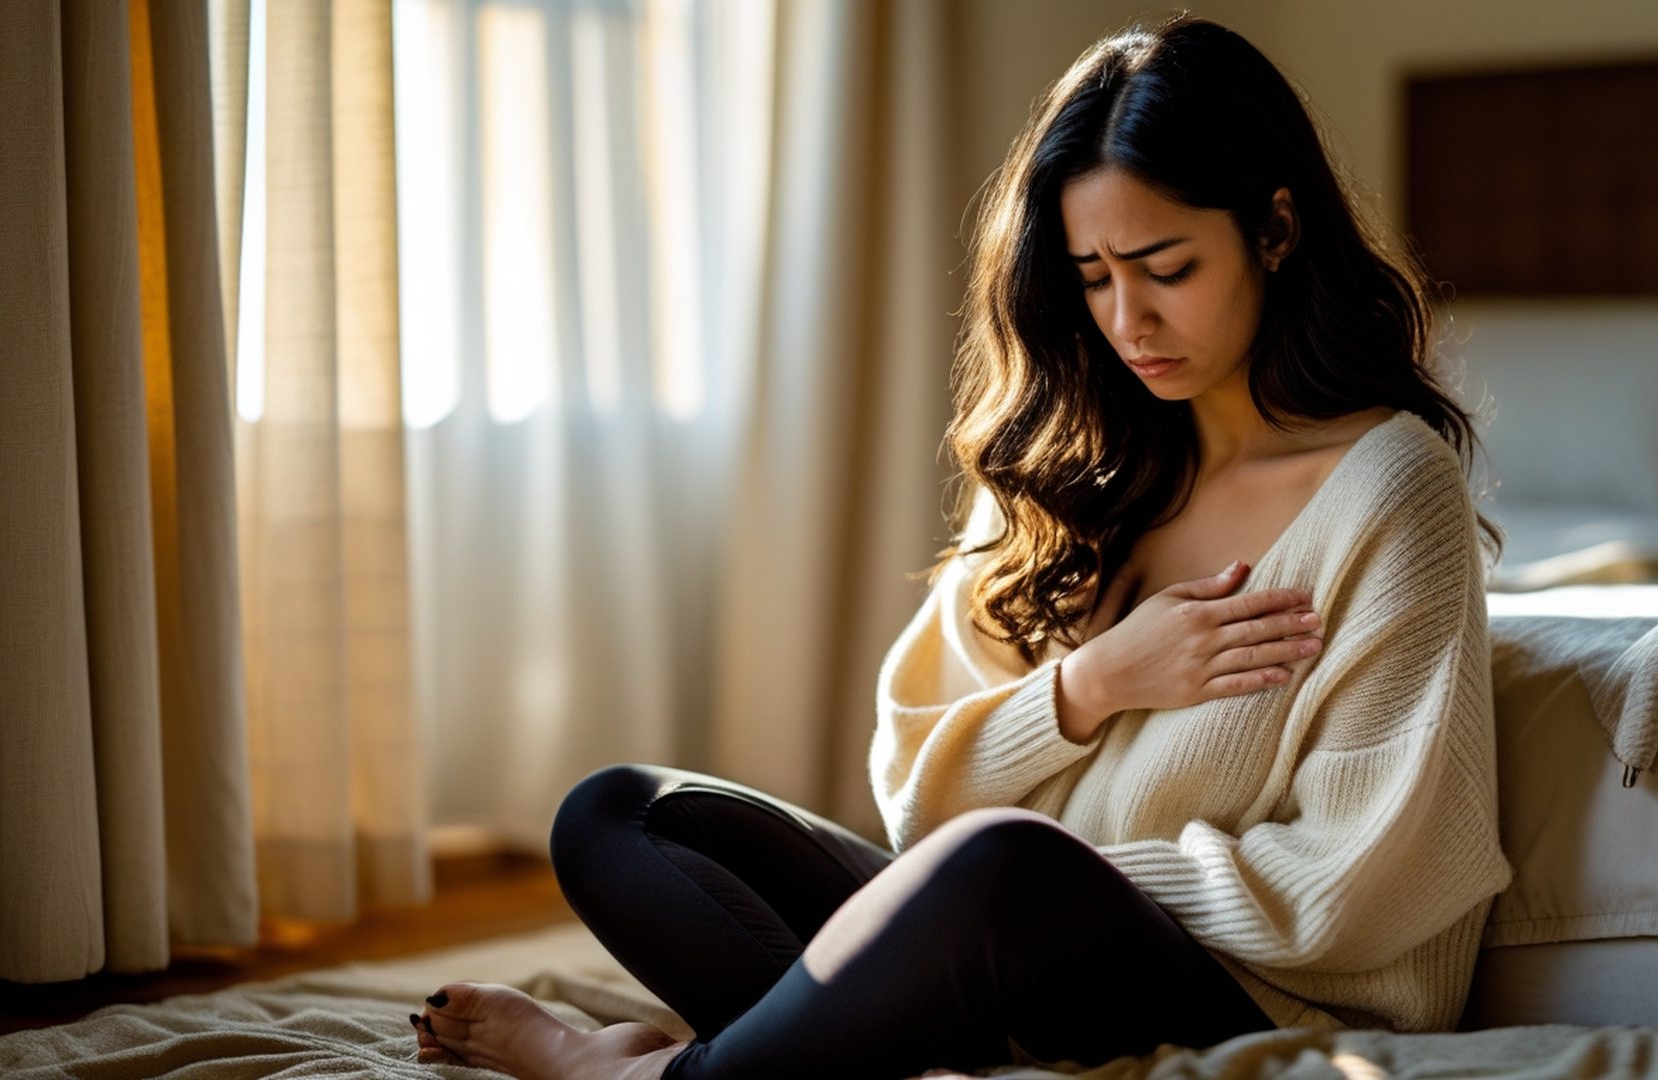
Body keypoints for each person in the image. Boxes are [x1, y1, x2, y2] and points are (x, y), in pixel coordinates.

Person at [406, 14, 1513, 1080]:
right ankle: (859, 1046)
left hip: (1257, 994)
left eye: (1166, 268)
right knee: (622, 815)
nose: (1127, 322)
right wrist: (1086, 687)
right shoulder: (1082, 469)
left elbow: (1358, 890)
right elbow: (917, 797)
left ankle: (637, 1075)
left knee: (1003, 872)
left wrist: (1038, 896)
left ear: (1273, 231)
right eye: (1093, 277)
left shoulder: (1386, 487)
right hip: (991, 940)